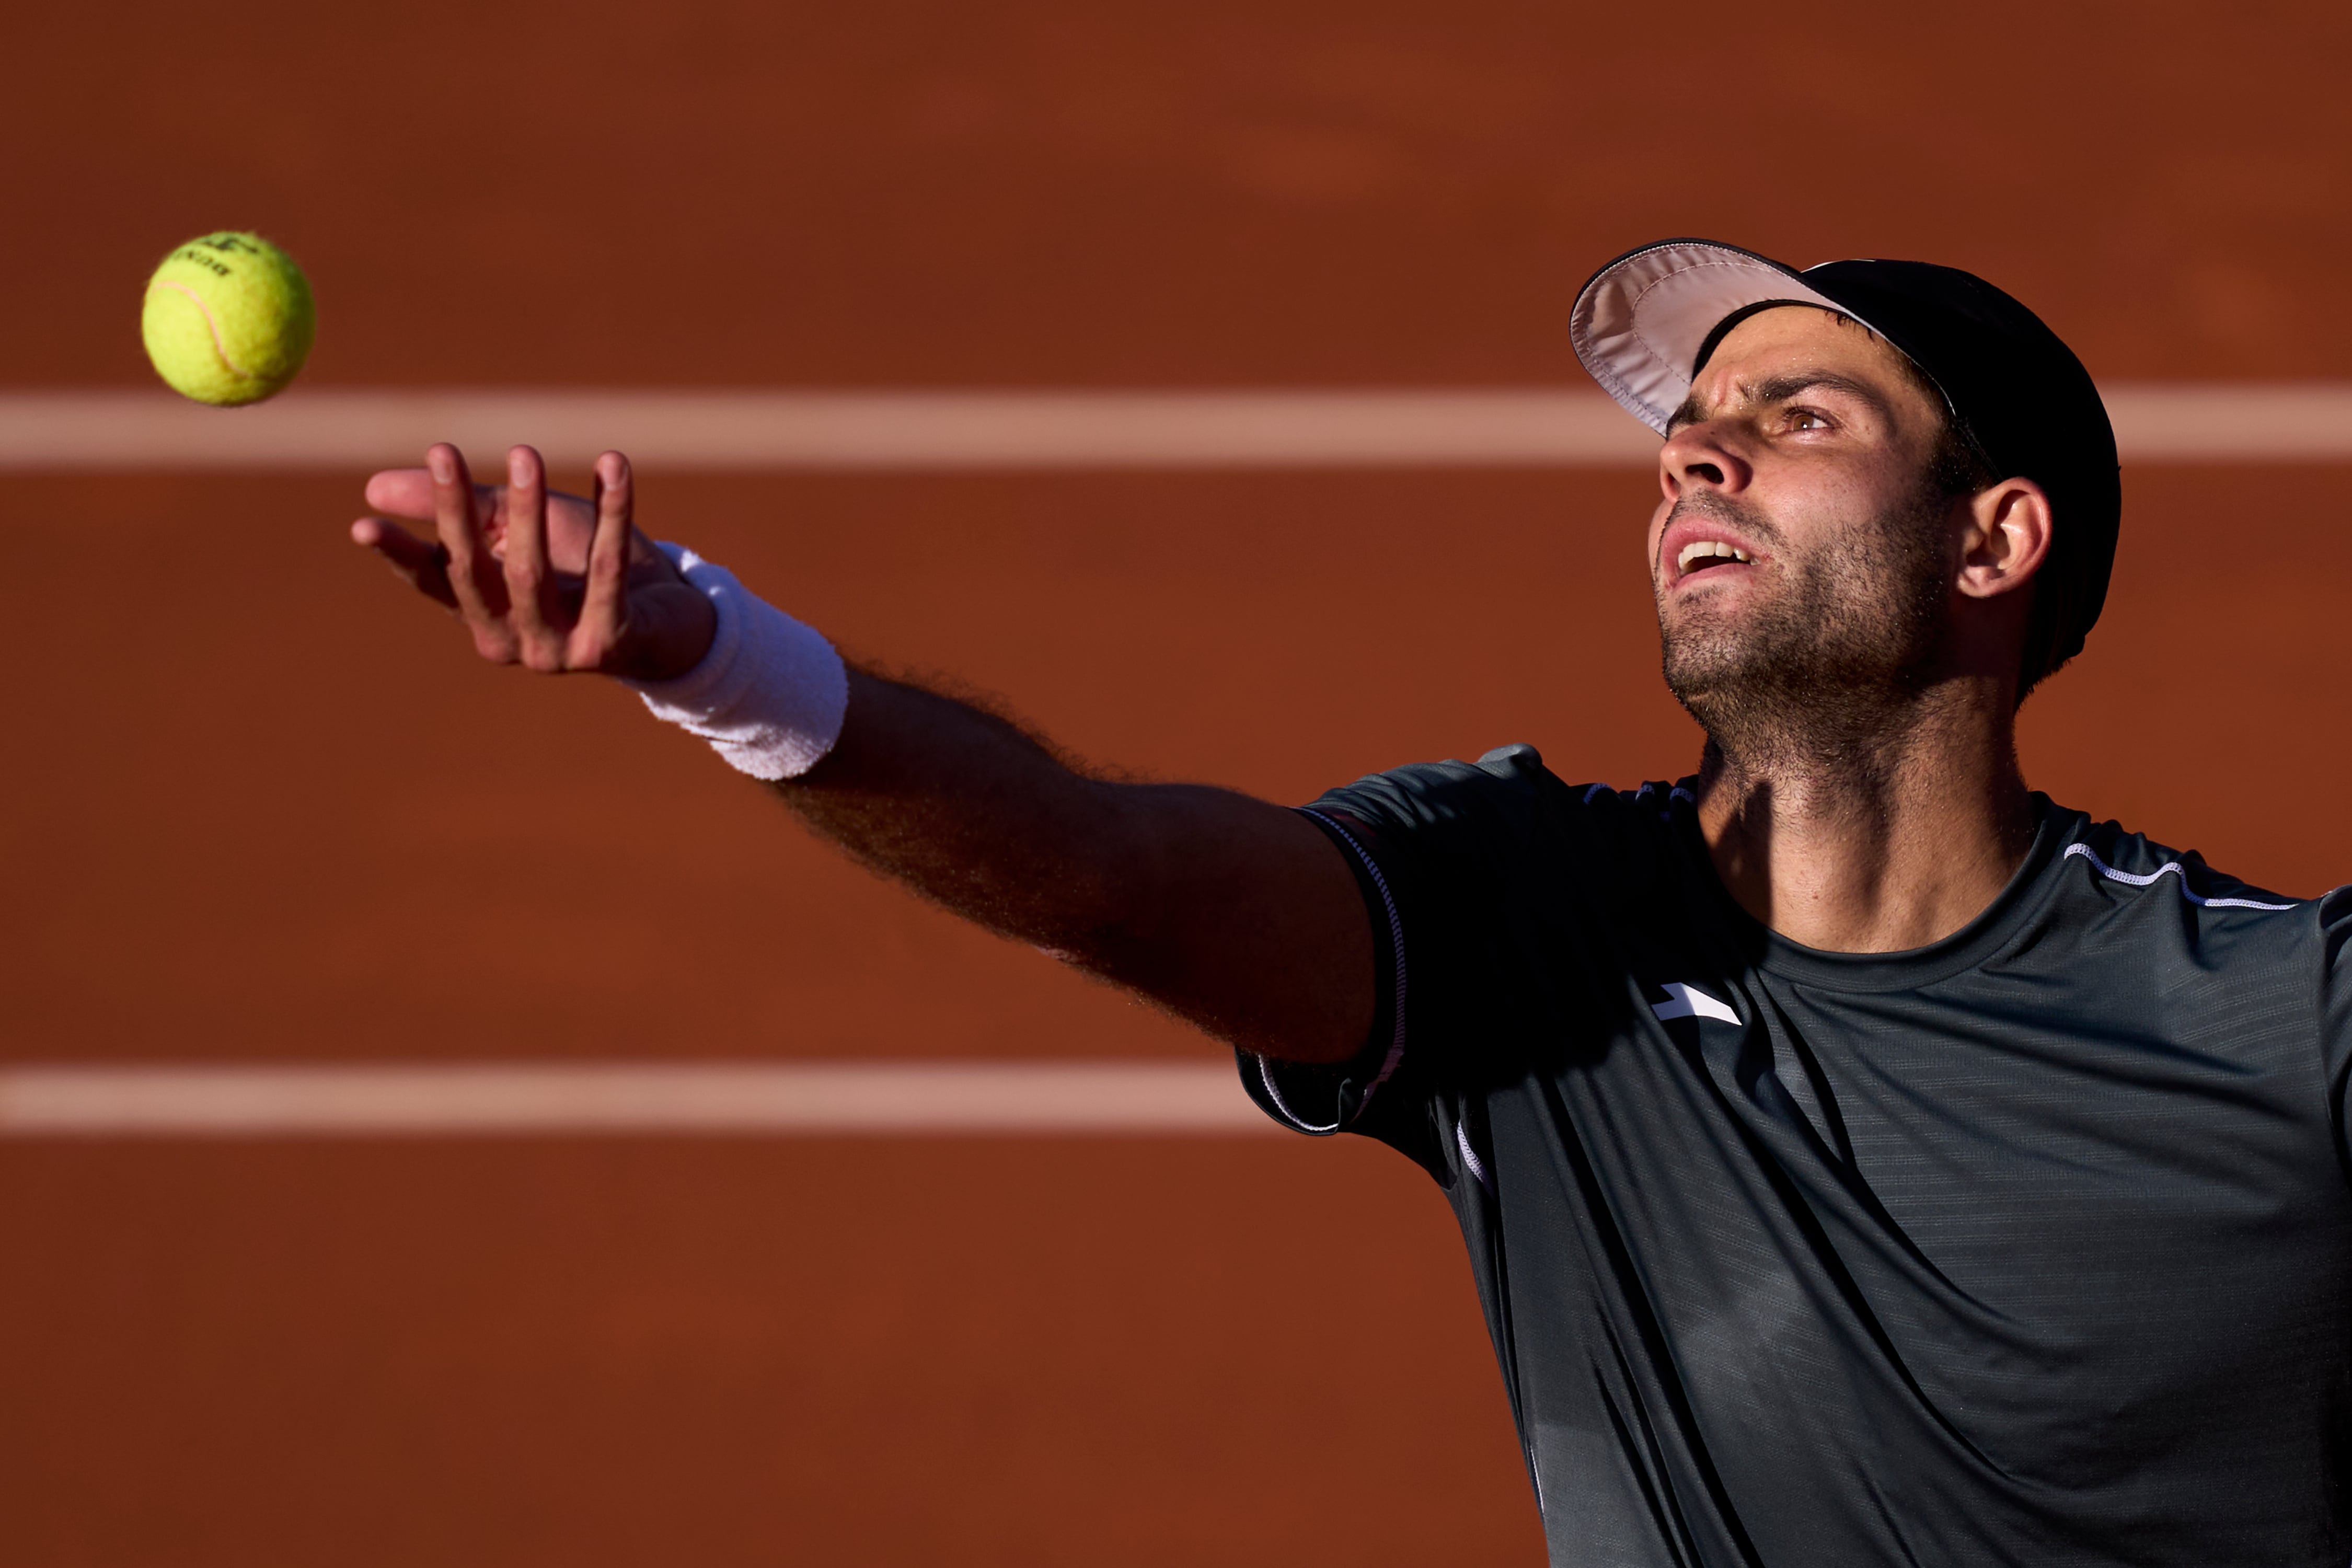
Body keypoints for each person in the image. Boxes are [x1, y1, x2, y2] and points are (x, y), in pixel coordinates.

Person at [350, 239, 2352, 1565]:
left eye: (1795, 420)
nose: (1692, 458)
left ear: (1994, 538)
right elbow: (1107, 869)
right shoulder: (1521, 924)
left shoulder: (2287, 1022)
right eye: (1685, 429)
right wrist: (711, 654)